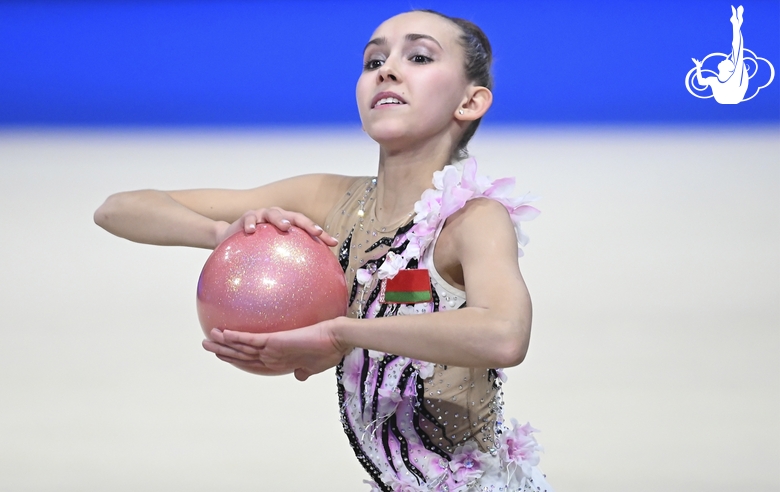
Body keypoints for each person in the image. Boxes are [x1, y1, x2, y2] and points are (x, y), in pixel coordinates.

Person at [94, 9, 552, 492]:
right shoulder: (328, 201)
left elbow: (504, 335)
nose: (387, 69)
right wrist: (219, 233)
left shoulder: (473, 219)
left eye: (418, 56)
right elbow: (117, 209)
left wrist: (339, 335)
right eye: (374, 59)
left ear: (470, 101)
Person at [692, 5, 748, 104]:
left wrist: (736, 26)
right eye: (727, 60)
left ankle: (736, 24)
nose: (724, 59)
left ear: (729, 69)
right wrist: (698, 67)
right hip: (728, 98)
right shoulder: (714, 80)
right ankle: (736, 24)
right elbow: (701, 82)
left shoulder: (734, 77)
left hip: (732, 97)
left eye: (726, 61)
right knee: (737, 52)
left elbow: (738, 50)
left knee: (737, 51)